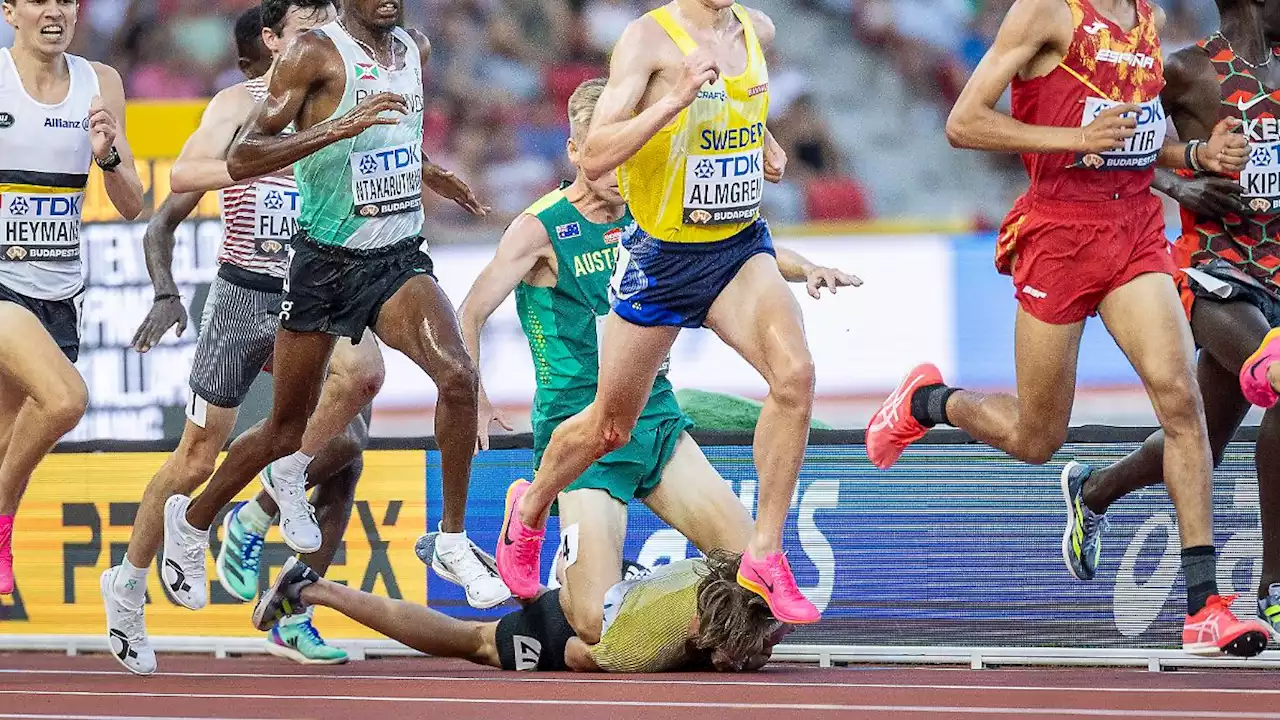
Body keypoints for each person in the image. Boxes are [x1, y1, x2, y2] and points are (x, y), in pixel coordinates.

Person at [868, 0, 1270, 657]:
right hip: (1059, 232)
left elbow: (1132, 136)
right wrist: (1075, 141)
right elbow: (963, 123)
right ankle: (926, 402)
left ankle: (1206, 608)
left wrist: (1194, 152)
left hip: (1135, 227)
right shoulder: (1046, 13)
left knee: (1180, 401)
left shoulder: (1149, 15)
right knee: (1037, 437)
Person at [460, 78, 858, 641]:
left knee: (755, 580)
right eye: (611, 152)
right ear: (577, 151)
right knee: (596, 624)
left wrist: (805, 266)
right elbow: (470, 311)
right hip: (582, 440)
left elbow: (733, 250)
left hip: (656, 422)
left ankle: (634, 581)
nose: (624, 167)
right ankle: (548, 525)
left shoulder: (653, 211)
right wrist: (471, 393)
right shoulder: (538, 229)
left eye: (634, 151)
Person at [168, 0, 509, 618]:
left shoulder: (414, 50)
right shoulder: (313, 54)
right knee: (286, 430)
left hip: (397, 258)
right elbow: (244, 157)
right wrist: (336, 128)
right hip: (323, 264)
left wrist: (434, 174)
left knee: (458, 377)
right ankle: (192, 519)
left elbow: (394, 142)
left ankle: (453, 540)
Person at [100, 1, 380, 676]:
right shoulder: (240, 103)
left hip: (314, 293)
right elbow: (171, 201)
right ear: (273, 39)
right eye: (312, 25)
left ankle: (260, 525)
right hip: (243, 294)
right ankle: (129, 585)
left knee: (353, 409)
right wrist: (167, 294)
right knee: (195, 457)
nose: (327, 37)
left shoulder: (343, 99)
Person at [1060, 0, 1280, 637]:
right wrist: (1183, 184)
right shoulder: (1185, 70)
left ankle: (1093, 491)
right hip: (1216, 273)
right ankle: (1274, 589)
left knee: (1198, 439)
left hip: (1276, 271)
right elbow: (1115, 142)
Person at [0, 0, 145, 595]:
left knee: (8, 442)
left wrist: (107, 155)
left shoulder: (99, 82)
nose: (55, 11)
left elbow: (133, 202)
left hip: (59, 293)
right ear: (11, 11)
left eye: (66, 0)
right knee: (65, 400)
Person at [258, 547, 789, 672]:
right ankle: (314, 589)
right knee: (472, 642)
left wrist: (759, 638)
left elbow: (759, 623)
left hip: (620, 587)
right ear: (702, 629)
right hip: (577, 631)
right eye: (735, 654)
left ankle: (503, 570)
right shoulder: (639, 650)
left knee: (541, 598)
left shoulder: (729, 584)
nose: (741, 663)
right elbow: (584, 655)